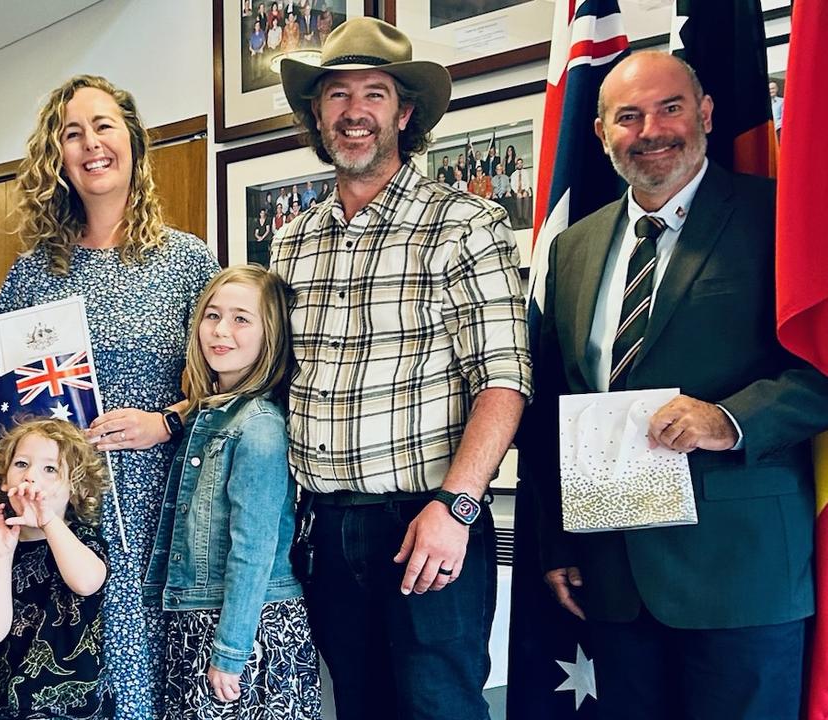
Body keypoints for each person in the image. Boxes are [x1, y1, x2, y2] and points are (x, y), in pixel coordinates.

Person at [521, 51, 828, 720]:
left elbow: (822, 367)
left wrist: (731, 419)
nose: (650, 130)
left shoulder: (778, 221)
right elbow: (551, 402)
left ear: (707, 114)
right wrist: (557, 543)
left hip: (741, 573)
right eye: (626, 116)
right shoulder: (572, 248)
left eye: (670, 108)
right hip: (611, 576)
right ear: (600, 133)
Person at [274, 18, 531, 718]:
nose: (353, 112)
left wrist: (456, 507)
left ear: (404, 112)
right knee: (357, 706)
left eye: (374, 93)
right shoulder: (292, 242)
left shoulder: (465, 224)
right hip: (323, 527)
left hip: (427, 516)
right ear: (317, 113)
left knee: (437, 706)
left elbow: (502, 381)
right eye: (336, 95)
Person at [0, 74, 219, 719]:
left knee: (137, 681)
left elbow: (232, 387)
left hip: (150, 505)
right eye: (73, 133)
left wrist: (165, 421)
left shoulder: (187, 261)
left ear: (132, 139)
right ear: (58, 156)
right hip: (47, 513)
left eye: (104, 126)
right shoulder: (33, 270)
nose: (91, 144)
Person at [144, 265, 321, 718]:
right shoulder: (207, 415)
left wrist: (230, 651)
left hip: (247, 628)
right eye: (212, 315)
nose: (220, 331)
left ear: (271, 336)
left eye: (242, 319)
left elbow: (253, 551)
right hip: (197, 619)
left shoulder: (258, 425)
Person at [0, 419, 113, 719]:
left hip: (78, 709)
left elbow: (87, 582)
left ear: (75, 487)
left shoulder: (82, 540)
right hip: (11, 707)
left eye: (50, 469)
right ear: (5, 481)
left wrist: (48, 522)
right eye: (21, 464)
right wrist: (0, 555)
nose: (31, 476)